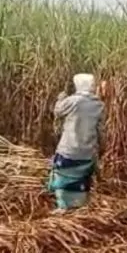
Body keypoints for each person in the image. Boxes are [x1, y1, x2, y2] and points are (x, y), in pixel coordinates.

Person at [48, 73, 105, 213]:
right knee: (81, 178)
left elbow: (58, 111)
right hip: (87, 150)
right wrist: (101, 147)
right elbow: (101, 129)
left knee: (63, 176)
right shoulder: (99, 104)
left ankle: (63, 207)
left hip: (69, 148)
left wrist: (61, 98)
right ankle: (79, 206)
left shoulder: (73, 101)